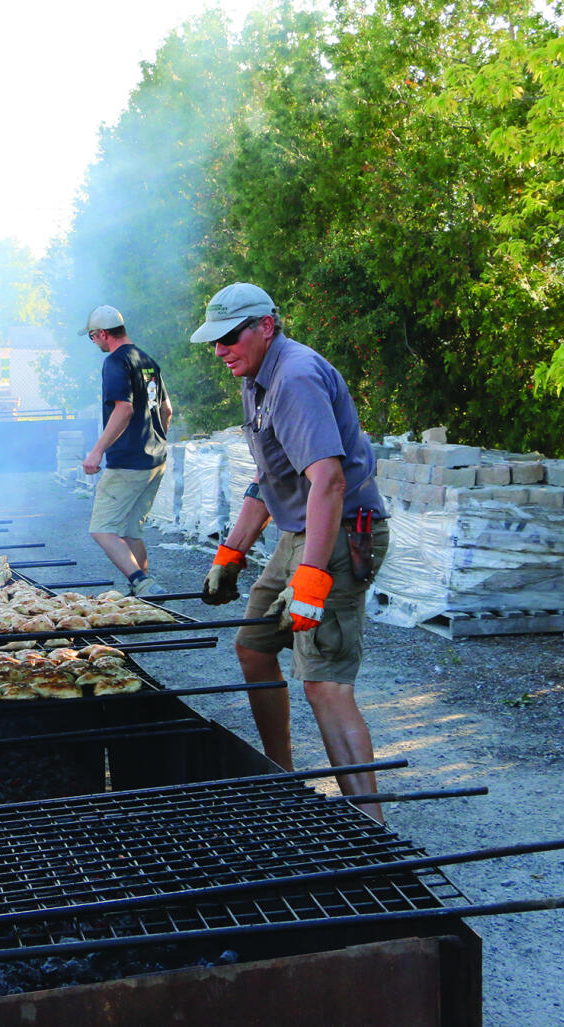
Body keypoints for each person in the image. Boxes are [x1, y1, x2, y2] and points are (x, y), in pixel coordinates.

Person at [191, 283, 390, 821]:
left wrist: (311, 578)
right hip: (299, 533)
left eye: (230, 337)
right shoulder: (256, 378)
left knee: (324, 682)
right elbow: (268, 478)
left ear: (266, 326)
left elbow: (329, 482)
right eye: (214, 341)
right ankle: (280, 780)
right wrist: (230, 554)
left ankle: (372, 829)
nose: (221, 350)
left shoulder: (296, 377)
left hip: (343, 532)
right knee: (255, 647)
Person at [81, 305, 172, 595]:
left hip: (129, 463)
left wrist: (96, 451)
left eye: (93, 337)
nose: (94, 342)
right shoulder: (146, 360)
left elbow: (124, 409)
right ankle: (142, 596)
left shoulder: (115, 362)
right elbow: (167, 410)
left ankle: (141, 582)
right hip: (155, 459)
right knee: (132, 530)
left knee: (102, 528)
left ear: (103, 334)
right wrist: (154, 440)